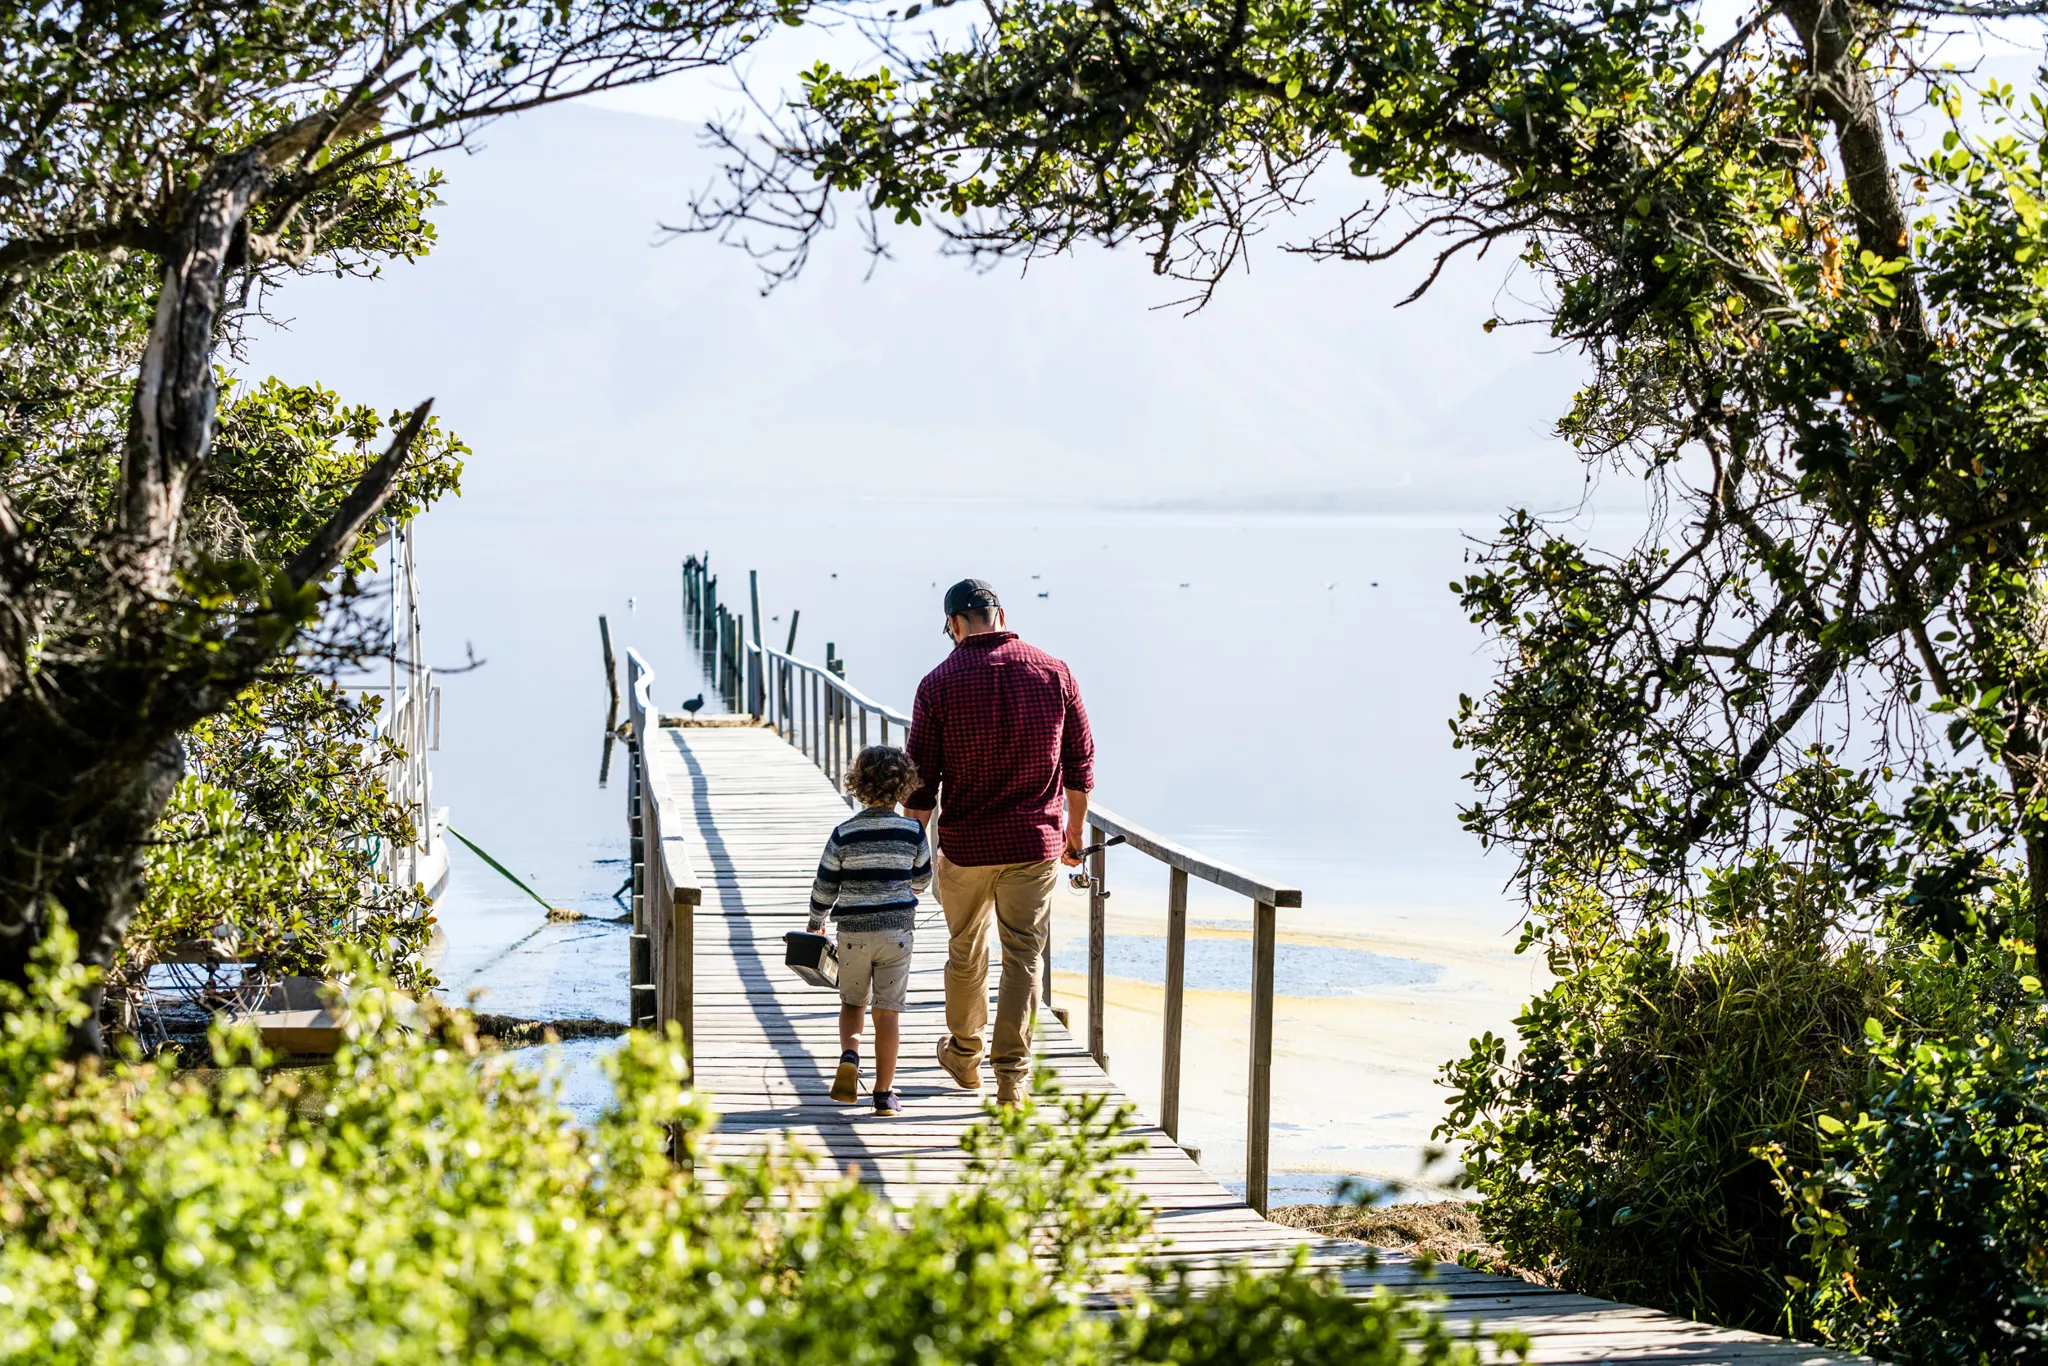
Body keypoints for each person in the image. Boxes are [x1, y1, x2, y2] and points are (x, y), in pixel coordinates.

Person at [906, 578, 1094, 1106]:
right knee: (1023, 957)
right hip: (1035, 844)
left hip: (966, 848)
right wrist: (1073, 835)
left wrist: (908, 848)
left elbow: (921, 782)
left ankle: (965, 1056)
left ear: (955, 624)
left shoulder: (938, 683)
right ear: (1002, 614)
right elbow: (1079, 767)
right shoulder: (1054, 672)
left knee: (966, 952)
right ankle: (1011, 1077)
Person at [807, 744, 933, 1116]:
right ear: (903, 788)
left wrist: (816, 922)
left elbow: (825, 885)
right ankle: (884, 1093)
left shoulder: (845, 833)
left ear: (857, 786)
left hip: (854, 934)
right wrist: (911, 888)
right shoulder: (912, 830)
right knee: (887, 1012)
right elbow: (923, 877)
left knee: (852, 1003)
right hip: (896, 935)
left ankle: (849, 1055)